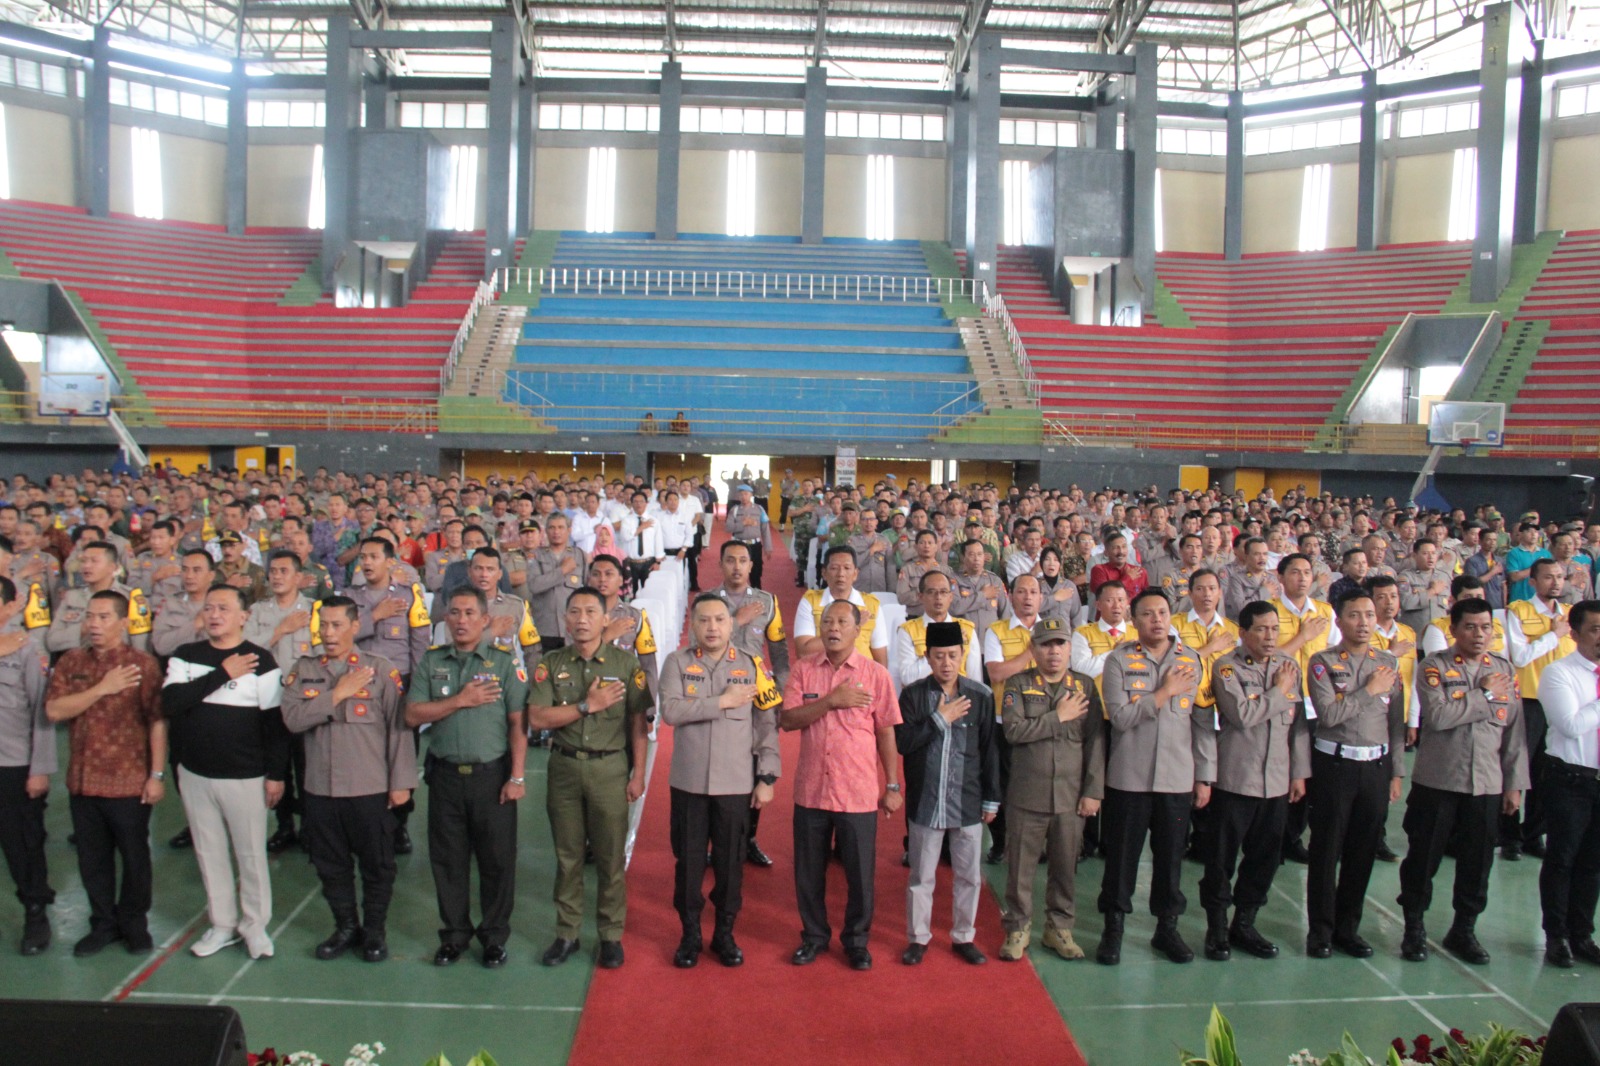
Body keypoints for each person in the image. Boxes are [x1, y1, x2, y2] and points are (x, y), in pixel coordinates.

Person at [280, 596, 415, 963]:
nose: (328, 632)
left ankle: (374, 932)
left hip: (369, 787)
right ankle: (345, 927)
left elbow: (398, 729)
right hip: (320, 789)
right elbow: (292, 719)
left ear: (356, 627)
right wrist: (337, 694)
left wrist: (401, 783)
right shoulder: (304, 670)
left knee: (378, 866)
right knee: (330, 865)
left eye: (337, 625)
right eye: (323, 625)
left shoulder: (379, 670)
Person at [525, 585, 653, 970]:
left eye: (590, 613)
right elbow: (537, 718)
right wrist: (586, 706)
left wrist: (639, 774)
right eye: (574, 613)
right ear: (564, 619)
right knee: (567, 858)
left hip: (610, 769)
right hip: (563, 767)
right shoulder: (551, 662)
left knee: (611, 859)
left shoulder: (626, 665)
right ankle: (567, 933)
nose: (582, 620)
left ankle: (610, 936)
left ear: (604, 620)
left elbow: (638, 725)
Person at [1396, 599, 1527, 964]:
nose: (1479, 634)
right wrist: (1483, 693)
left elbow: (1514, 735)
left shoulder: (1504, 670)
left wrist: (1514, 784)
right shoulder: (1434, 667)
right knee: (1423, 859)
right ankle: (1414, 926)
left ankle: (1464, 929)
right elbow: (1437, 717)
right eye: (1470, 627)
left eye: (1486, 627)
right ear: (1453, 629)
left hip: (1486, 783)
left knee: (1478, 861)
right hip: (1439, 782)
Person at [405, 586, 529, 969]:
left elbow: (518, 723)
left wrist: (518, 777)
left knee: (497, 861)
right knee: (448, 861)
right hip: (443, 777)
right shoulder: (431, 662)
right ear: (445, 619)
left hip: (491, 778)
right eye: (454, 613)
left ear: (485, 619)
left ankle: (494, 937)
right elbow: (412, 715)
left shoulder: (503, 663)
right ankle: (455, 935)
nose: (461, 620)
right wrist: (459, 700)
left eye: (469, 613)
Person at [162, 585, 287, 959]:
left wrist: (276, 775)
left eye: (224, 608)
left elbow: (275, 726)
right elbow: (171, 702)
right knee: (209, 851)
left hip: (245, 776)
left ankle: (254, 925)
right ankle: (222, 924)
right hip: (196, 774)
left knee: (250, 854)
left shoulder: (261, 661)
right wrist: (221, 673)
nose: (215, 614)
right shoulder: (186, 656)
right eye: (210, 608)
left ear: (243, 616)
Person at [658, 594, 782, 968]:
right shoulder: (677, 662)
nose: (712, 628)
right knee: (689, 863)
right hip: (689, 783)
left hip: (735, 783)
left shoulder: (752, 665)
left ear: (732, 625)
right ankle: (690, 933)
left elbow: (766, 722)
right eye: (704, 621)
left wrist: (768, 775)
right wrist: (722, 702)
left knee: (730, 865)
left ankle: (724, 934)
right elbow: (671, 710)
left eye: (719, 620)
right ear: (693, 625)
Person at [781, 599, 901, 971]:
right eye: (827, 621)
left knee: (860, 875)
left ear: (857, 629)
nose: (833, 628)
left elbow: (885, 732)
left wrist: (893, 785)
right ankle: (814, 937)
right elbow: (788, 720)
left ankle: (856, 941)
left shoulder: (875, 674)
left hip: (858, 790)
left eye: (841, 622)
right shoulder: (803, 670)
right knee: (808, 872)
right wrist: (832, 702)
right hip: (812, 789)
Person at [45, 590, 166, 956]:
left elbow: (156, 721)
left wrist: (156, 775)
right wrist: (102, 688)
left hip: (130, 780)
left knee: (135, 858)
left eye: (103, 617)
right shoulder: (71, 661)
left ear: (123, 622)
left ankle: (134, 922)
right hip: (84, 781)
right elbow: (54, 711)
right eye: (90, 617)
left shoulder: (142, 665)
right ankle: (103, 923)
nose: (94, 624)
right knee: (92, 860)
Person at [1096, 588, 1205, 965]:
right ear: (1134, 619)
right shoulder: (1118, 661)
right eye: (1147, 614)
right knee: (1121, 858)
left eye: (1162, 612)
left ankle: (1166, 929)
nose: (1156, 620)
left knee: (1172, 857)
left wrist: (1203, 776)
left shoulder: (1191, 659)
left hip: (1176, 777)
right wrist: (1163, 693)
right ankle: (1113, 929)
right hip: (1130, 777)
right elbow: (1121, 719)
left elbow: (1201, 724)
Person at [1200, 601, 1310, 962]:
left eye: (1275, 629)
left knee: (1264, 859)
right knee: (1221, 859)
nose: (1270, 636)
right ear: (1243, 633)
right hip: (1236, 780)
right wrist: (1278, 692)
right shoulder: (1227, 668)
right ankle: (1216, 927)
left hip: (1277, 781)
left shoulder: (1289, 667)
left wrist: (1298, 773)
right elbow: (1242, 715)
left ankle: (1244, 923)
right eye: (1262, 629)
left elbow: (1298, 728)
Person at [1303, 590, 1406, 959]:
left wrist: (1397, 772)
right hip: (1335, 765)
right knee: (1326, 849)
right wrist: (1368, 691)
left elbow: (1396, 723)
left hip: (1376, 767)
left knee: (1363, 851)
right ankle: (1320, 931)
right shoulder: (1323, 662)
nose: (1364, 622)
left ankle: (1349, 928)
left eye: (1369, 615)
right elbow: (1328, 715)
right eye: (1355, 615)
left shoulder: (1388, 662)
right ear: (1340, 621)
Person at [997, 618, 1104, 963]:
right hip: (1027, 794)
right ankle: (1017, 926)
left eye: (1060, 644)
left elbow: (1095, 743)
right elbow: (1013, 731)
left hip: (1070, 796)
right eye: (1045, 644)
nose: (1053, 651)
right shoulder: (1018, 684)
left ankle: (1058, 927)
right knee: (1020, 868)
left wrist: (1093, 791)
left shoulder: (1085, 687)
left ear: (1070, 648)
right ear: (1034, 649)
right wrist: (1057, 717)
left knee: (1064, 867)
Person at [896, 620, 998, 966]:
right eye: (939, 656)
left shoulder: (981, 696)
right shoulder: (912, 696)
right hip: (926, 801)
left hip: (967, 801)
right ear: (927, 657)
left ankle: (963, 936)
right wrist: (939, 719)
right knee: (921, 877)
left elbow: (990, 751)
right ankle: (918, 938)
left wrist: (991, 799)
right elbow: (903, 743)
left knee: (969, 876)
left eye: (953, 656)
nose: (946, 663)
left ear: (962, 655)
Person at [705, 539, 789, 868]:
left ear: (751, 566)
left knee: (759, 765)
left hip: (757, 694)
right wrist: (735, 620)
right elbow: (698, 644)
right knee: (718, 764)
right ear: (721, 564)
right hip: (718, 692)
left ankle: (749, 838)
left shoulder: (768, 602)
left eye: (743, 560)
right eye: (730, 560)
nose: (737, 567)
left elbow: (780, 655)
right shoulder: (709, 602)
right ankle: (716, 841)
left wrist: (781, 695)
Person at [245, 550, 322, 853]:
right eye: (272, 571)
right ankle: (285, 825)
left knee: (307, 766)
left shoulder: (314, 611)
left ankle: (310, 828)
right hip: (266, 702)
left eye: (283, 571)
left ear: (299, 577)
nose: (276, 577)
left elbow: (322, 655)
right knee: (275, 768)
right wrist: (279, 631)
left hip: (302, 701)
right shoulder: (258, 611)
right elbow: (246, 648)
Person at [1537, 599, 1600, 968]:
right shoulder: (1559, 673)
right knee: (1562, 858)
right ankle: (1555, 935)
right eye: (1595, 629)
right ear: (1574, 634)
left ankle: (1583, 934)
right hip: (1569, 779)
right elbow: (1570, 725)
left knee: (1592, 863)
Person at [1503, 557, 1577, 860]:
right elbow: (1520, 657)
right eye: (1548, 577)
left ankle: (1534, 835)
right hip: (1528, 701)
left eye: (1560, 577)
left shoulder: (1574, 615)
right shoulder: (1518, 611)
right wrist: (1553, 635)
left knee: (1548, 771)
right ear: (1532, 582)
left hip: (1562, 703)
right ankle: (1509, 837)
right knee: (1519, 767)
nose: (1556, 582)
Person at [0, 583, 54, 955]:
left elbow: (43, 712)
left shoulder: (26, 648)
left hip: (13, 763)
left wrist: (40, 769)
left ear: (11, 605)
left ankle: (35, 911)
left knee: (22, 845)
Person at [45, 541, 152, 654]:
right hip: (78, 664)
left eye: (94, 561)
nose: (86, 566)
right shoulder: (71, 597)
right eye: (84, 561)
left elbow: (142, 648)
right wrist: (82, 630)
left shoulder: (132, 599)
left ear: (112, 567)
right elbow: (52, 642)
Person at [794, 546, 890, 667]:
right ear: (824, 573)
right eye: (834, 568)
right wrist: (853, 625)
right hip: (820, 674)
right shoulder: (811, 601)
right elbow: (803, 652)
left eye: (847, 568)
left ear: (855, 574)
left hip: (862, 677)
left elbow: (881, 660)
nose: (841, 574)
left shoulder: (871, 605)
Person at [892, 570, 981, 690]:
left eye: (943, 592)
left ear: (950, 597)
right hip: (922, 700)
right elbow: (908, 678)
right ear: (920, 597)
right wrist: (941, 645)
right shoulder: (908, 631)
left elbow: (975, 680)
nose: (938, 597)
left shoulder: (966, 629)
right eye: (931, 592)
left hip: (960, 698)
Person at [526, 513, 587, 652]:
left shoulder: (579, 555)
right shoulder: (536, 555)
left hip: (572, 627)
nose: (556, 532)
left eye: (561, 527)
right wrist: (562, 570)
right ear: (545, 531)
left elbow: (587, 589)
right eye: (552, 528)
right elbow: (534, 585)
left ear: (569, 530)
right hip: (545, 627)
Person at [725, 485, 773, 590]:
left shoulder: (759, 509)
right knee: (738, 572)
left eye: (746, 494)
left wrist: (768, 547)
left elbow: (765, 529)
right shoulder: (735, 510)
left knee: (756, 572)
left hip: (755, 545)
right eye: (741, 494)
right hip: (739, 546)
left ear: (751, 495)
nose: (743, 496)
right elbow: (728, 527)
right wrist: (743, 523)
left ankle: (756, 594)